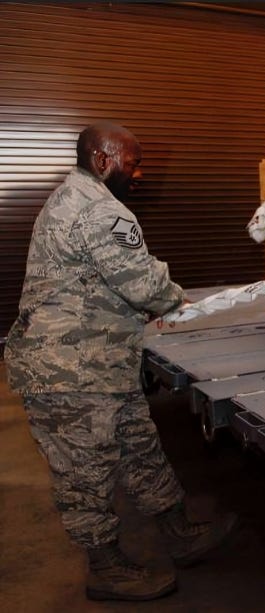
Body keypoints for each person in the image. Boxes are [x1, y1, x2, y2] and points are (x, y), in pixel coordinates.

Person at [4, 122, 238, 602]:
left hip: (100, 365)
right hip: (68, 373)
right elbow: (143, 284)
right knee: (85, 473)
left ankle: (178, 532)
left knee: (138, 448)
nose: (140, 172)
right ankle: (104, 568)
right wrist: (176, 302)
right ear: (104, 160)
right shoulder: (100, 210)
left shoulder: (72, 196)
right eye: (133, 163)